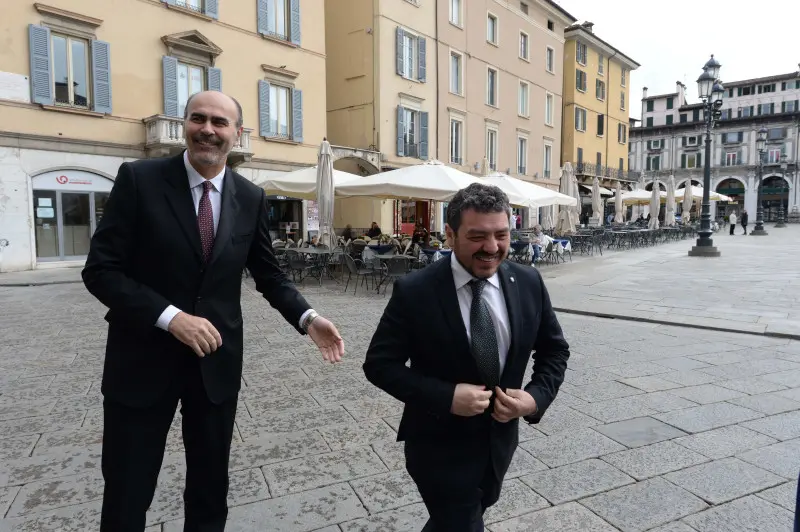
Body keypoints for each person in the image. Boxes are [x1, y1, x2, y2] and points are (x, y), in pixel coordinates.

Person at [82, 90, 345, 532]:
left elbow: (270, 275)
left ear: (236, 133)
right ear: (184, 124)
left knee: (209, 488)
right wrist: (170, 317)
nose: (208, 129)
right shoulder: (139, 179)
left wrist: (308, 317)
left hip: (215, 363)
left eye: (220, 122)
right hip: (141, 361)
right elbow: (101, 271)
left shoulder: (250, 196)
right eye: (198, 119)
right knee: (128, 488)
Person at [363, 183, 570, 532]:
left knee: (458, 519)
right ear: (450, 234)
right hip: (436, 448)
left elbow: (555, 350)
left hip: (499, 446)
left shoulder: (529, 282)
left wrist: (534, 399)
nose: (491, 248)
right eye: (477, 237)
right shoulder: (416, 291)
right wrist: (446, 397)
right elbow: (379, 365)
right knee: (461, 521)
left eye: (501, 235)